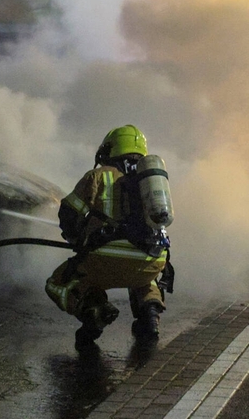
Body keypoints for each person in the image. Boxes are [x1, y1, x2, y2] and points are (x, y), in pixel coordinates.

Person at [46, 125, 174, 353]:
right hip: (152, 260)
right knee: (145, 278)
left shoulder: (99, 175)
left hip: (105, 259)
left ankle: (95, 311)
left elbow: (69, 211)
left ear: (111, 148)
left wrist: (75, 237)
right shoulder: (149, 182)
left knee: (57, 282)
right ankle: (150, 314)